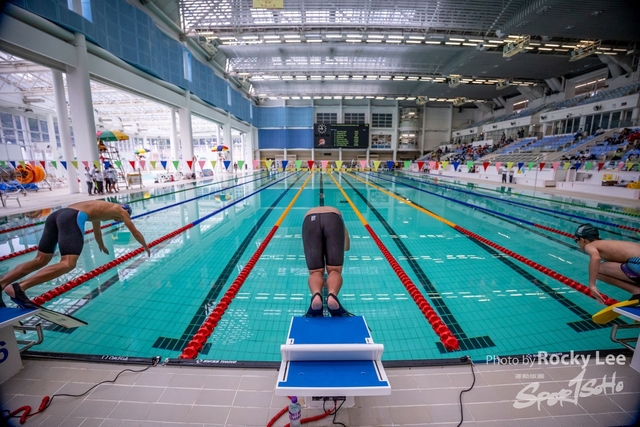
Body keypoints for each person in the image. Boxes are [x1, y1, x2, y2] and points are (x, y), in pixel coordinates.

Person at [0, 201, 150, 308]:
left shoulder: (103, 207)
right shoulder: (121, 211)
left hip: (56, 215)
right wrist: (145, 246)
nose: (118, 220)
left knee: (40, 259)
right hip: (71, 217)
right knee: (68, 263)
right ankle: (19, 288)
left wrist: (101, 244)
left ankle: (1, 283)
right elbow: (135, 232)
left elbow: (97, 230)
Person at [302, 206, 351, 317]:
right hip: (333, 219)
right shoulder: (336, 213)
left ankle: (316, 295)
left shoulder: (309, 213)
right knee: (334, 270)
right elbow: (346, 247)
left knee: (315, 271)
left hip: (310, 220)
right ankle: (332, 295)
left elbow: (306, 249)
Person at [573, 223, 640, 304]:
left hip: (637, 263)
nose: (576, 243)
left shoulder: (589, 245)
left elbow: (595, 258)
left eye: (576, 240)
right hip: (637, 263)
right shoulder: (608, 243)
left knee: (597, 270)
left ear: (582, 240)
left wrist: (592, 285)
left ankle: (637, 291)